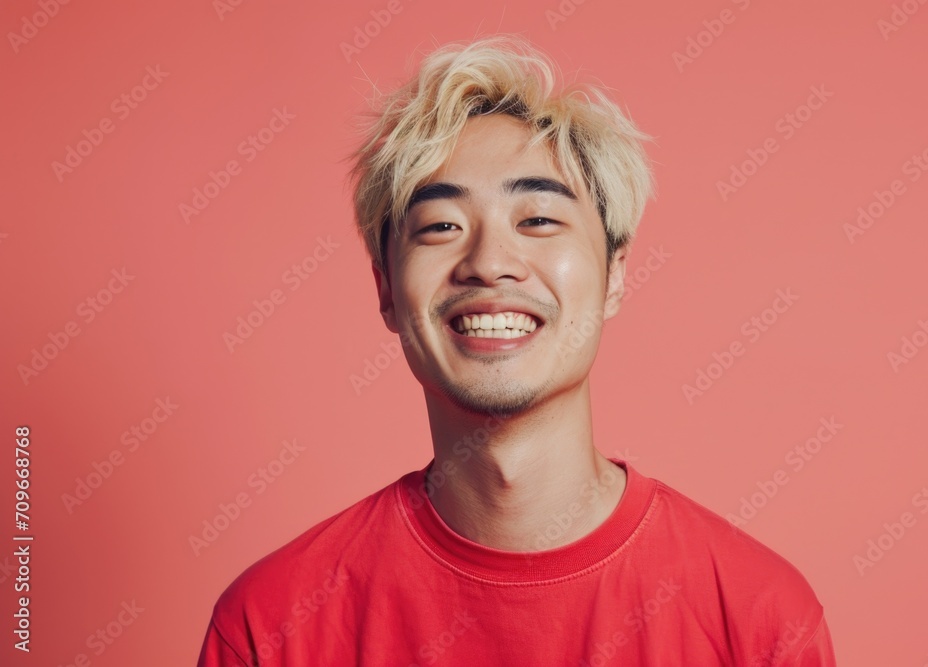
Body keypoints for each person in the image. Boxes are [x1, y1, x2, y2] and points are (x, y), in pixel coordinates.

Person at [196, 34, 836, 666]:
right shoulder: (271, 627)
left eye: (537, 220)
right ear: (387, 288)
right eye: (441, 226)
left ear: (614, 274)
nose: (489, 263)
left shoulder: (759, 623)